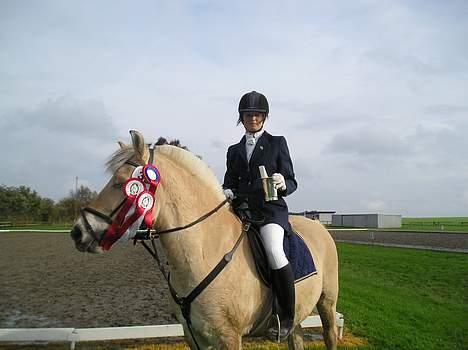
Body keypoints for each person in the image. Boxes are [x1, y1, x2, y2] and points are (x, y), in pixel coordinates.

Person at [222, 90, 298, 339]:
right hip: (241, 212)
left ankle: (286, 316)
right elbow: (229, 181)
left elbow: (292, 180)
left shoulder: (277, 143)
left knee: (275, 251)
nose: (252, 118)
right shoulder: (233, 150)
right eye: (248, 114)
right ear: (241, 118)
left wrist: (282, 181)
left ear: (264, 117)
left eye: (257, 114)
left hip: (269, 212)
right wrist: (227, 191)